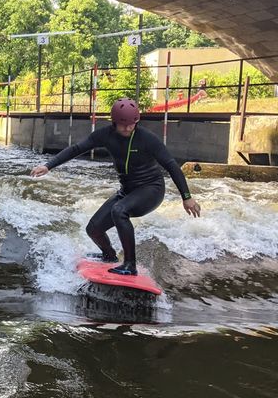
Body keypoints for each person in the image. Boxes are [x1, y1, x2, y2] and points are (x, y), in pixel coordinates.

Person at [30, 98, 201, 276]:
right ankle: (109, 256)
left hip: (151, 189)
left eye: (131, 125)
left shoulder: (147, 139)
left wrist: (186, 197)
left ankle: (130, 265)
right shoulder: (105, 135)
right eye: (122, 125)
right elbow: (76, 149)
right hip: (127, 192)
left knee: (119, 211)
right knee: (93, 229)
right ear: (114, 122)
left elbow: (171, 165)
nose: (127, 129)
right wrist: (48, 165)